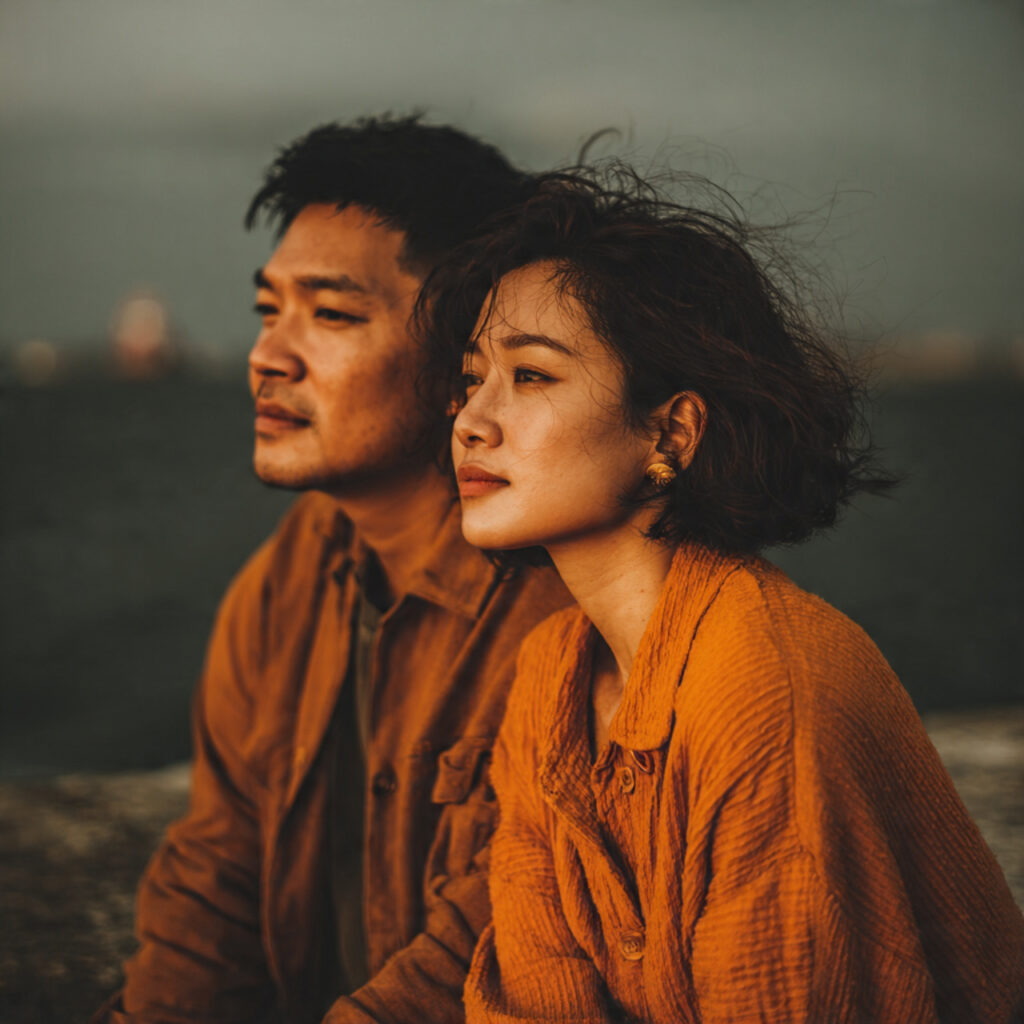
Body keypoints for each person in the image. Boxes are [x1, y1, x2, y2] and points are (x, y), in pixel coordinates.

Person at [422, 171, 1024, 1022]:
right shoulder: (551, 676)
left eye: (530, 377)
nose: (470, 419)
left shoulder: (762, 691)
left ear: (670, 432)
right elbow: (531, 996)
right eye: (471, 375)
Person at [93, 115, 569, 1024]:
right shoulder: (283, 587)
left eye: (332, 314)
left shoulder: (560, 612)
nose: (267, 357)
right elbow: (216, 879)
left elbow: (497, 943)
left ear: (464, 359)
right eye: (269, 310)